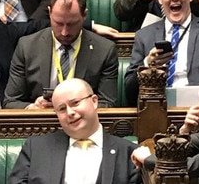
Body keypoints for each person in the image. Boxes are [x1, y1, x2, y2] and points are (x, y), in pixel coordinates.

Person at [4, 0, 118, 109]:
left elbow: (108, 104)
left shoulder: (104, 50)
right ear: (49, 13)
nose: (65, 32)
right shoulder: (27, 47)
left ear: (84, 15)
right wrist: (33, 108)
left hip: (82, 124)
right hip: (40, 124)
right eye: (58, 23)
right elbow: (10, 102)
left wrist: (74, 107)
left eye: (71, 24)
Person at [9, 78, 141, 184]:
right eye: (61, 109)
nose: (70, 113)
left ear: (94, 101)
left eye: (75, 103)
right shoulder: (36, 148)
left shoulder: (129, 153)